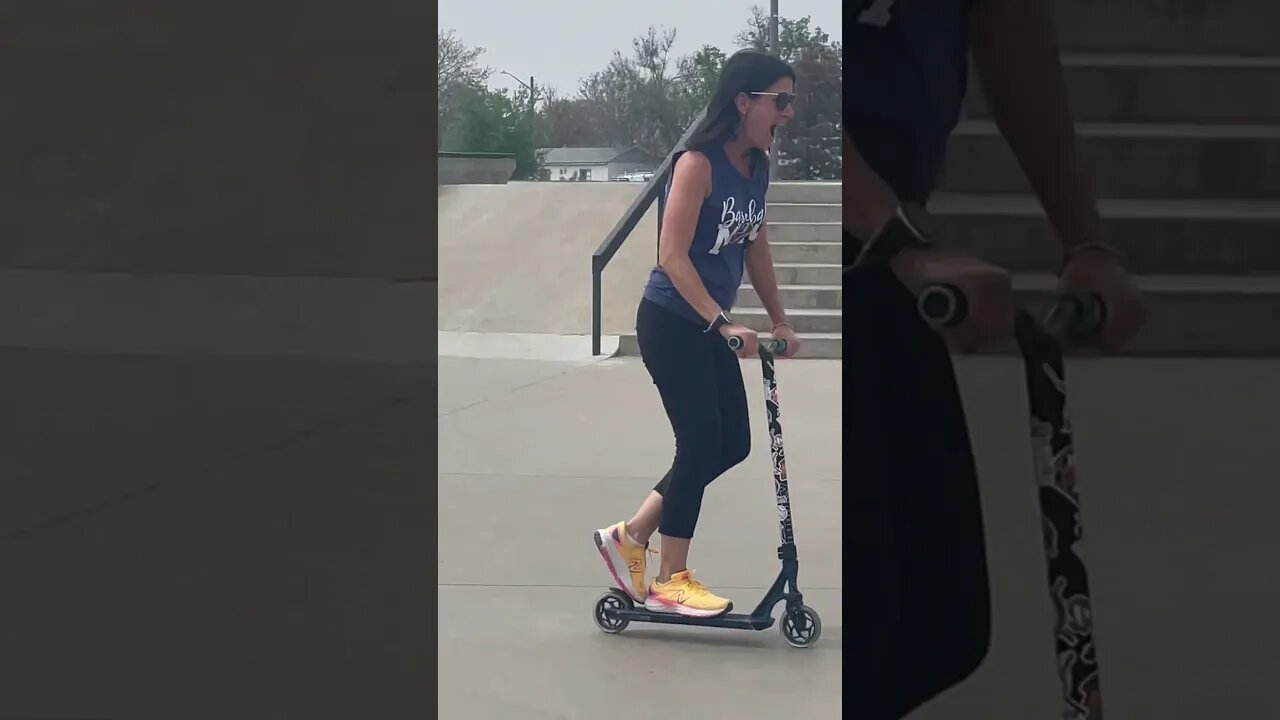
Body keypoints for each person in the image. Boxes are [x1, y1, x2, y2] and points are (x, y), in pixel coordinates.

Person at [845, 0, 1149, 717]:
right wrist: (894, 239)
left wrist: (1085, 241)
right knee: (866, 621)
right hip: (845, 237)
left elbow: (1011, 24)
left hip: (891, 247)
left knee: (939, 620)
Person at [593, 49, 801, 619]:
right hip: (672, 321)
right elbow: (671, 256)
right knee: (700, 445)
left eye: (791, 102)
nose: (787, 113)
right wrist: (722, 321)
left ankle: (630, 535)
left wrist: (779, 318)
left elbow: (754, 246)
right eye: (779, 101)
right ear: (744, 101)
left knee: (731, 443)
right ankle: (669, 579)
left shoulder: (757, 165)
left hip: (710, 325)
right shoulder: (697, 164)